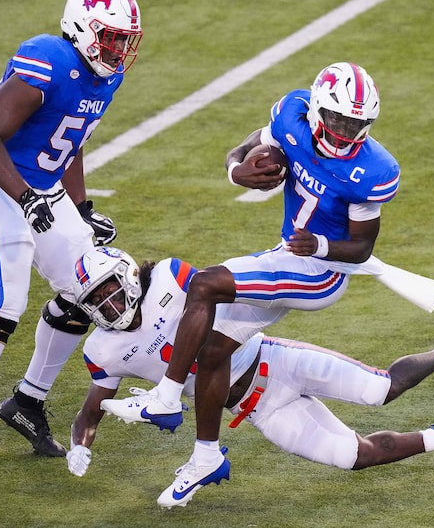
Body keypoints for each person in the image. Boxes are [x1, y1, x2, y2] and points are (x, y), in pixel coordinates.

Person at [101, 62, 407, 497]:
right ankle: (206, 456)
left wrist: (319, 246)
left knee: (204, 284)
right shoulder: (293, 116)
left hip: (321, 273)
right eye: (338, 118)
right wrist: (236, 170)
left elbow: (361, 247)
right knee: (212, 351)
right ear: (319, 109)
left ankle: (166, 399)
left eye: (357, 123)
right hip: (287, 256)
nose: (345, 130)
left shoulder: (371, 169)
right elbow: (249, 146)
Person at [66, 247, 434, 508]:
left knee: (381, 389)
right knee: (352, 457)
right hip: (255, 408)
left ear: (127, 276)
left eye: (108, 291)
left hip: (272, 361)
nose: (106, 305)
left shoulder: (168, 278)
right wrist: (79, 445)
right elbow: (90, 410)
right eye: (95, 300)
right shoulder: (102, 348)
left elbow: (216, 306)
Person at [0, 0, 143, 481]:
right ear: (81, 28)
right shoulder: (47, 58)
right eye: (111, 37)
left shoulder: (105, 76)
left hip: (42, 187)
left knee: (99, 288)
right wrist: (28, 199)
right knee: (4, 303)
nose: (119, 49)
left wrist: (82, 205)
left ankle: (27, 400)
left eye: (125, 39)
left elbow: (69, 139)